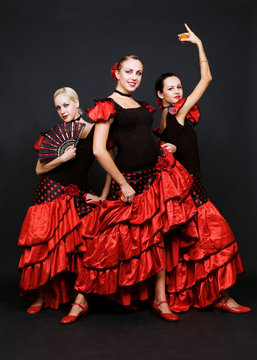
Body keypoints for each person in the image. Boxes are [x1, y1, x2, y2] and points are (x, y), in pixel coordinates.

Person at [60, 55, 200, 324]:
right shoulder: (107, 105)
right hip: (127, 182)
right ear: (117, 74)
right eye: (129, 72)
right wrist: (119, 185)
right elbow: (102, 151)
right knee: (105, 242)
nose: (134, 77)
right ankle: (80, 301)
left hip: (152, 178)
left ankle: (161, 300)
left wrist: (166, 147)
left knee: (155, 237)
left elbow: (143, 141)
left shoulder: (142, 105)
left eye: (139, 72)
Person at [154, 24, 250, 313]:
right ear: (161, 95)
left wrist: (172, 149)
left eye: (179, 87)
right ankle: (221, 297)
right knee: (212, 238)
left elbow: (169, 146)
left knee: (197, 243)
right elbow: (207, 77)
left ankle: (214, 296)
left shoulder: (170, 115)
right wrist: (199, 44)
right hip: (185, 188)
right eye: (171, 88)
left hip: (190, 184)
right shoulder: (174, 114)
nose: (177, 91)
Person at [18, 87, 111, 313]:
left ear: (77, 102)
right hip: (49, 192)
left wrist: (104, 195)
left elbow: (110, 162)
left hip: (76, 195)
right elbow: (39, 169)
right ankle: (40, 297)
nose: (62, 111)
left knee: (79, 248)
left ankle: (79, 298)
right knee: (41, 245)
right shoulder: (53, 134)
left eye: (66, 105)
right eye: (58, 107)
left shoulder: (93, 130)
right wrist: (61, 158)